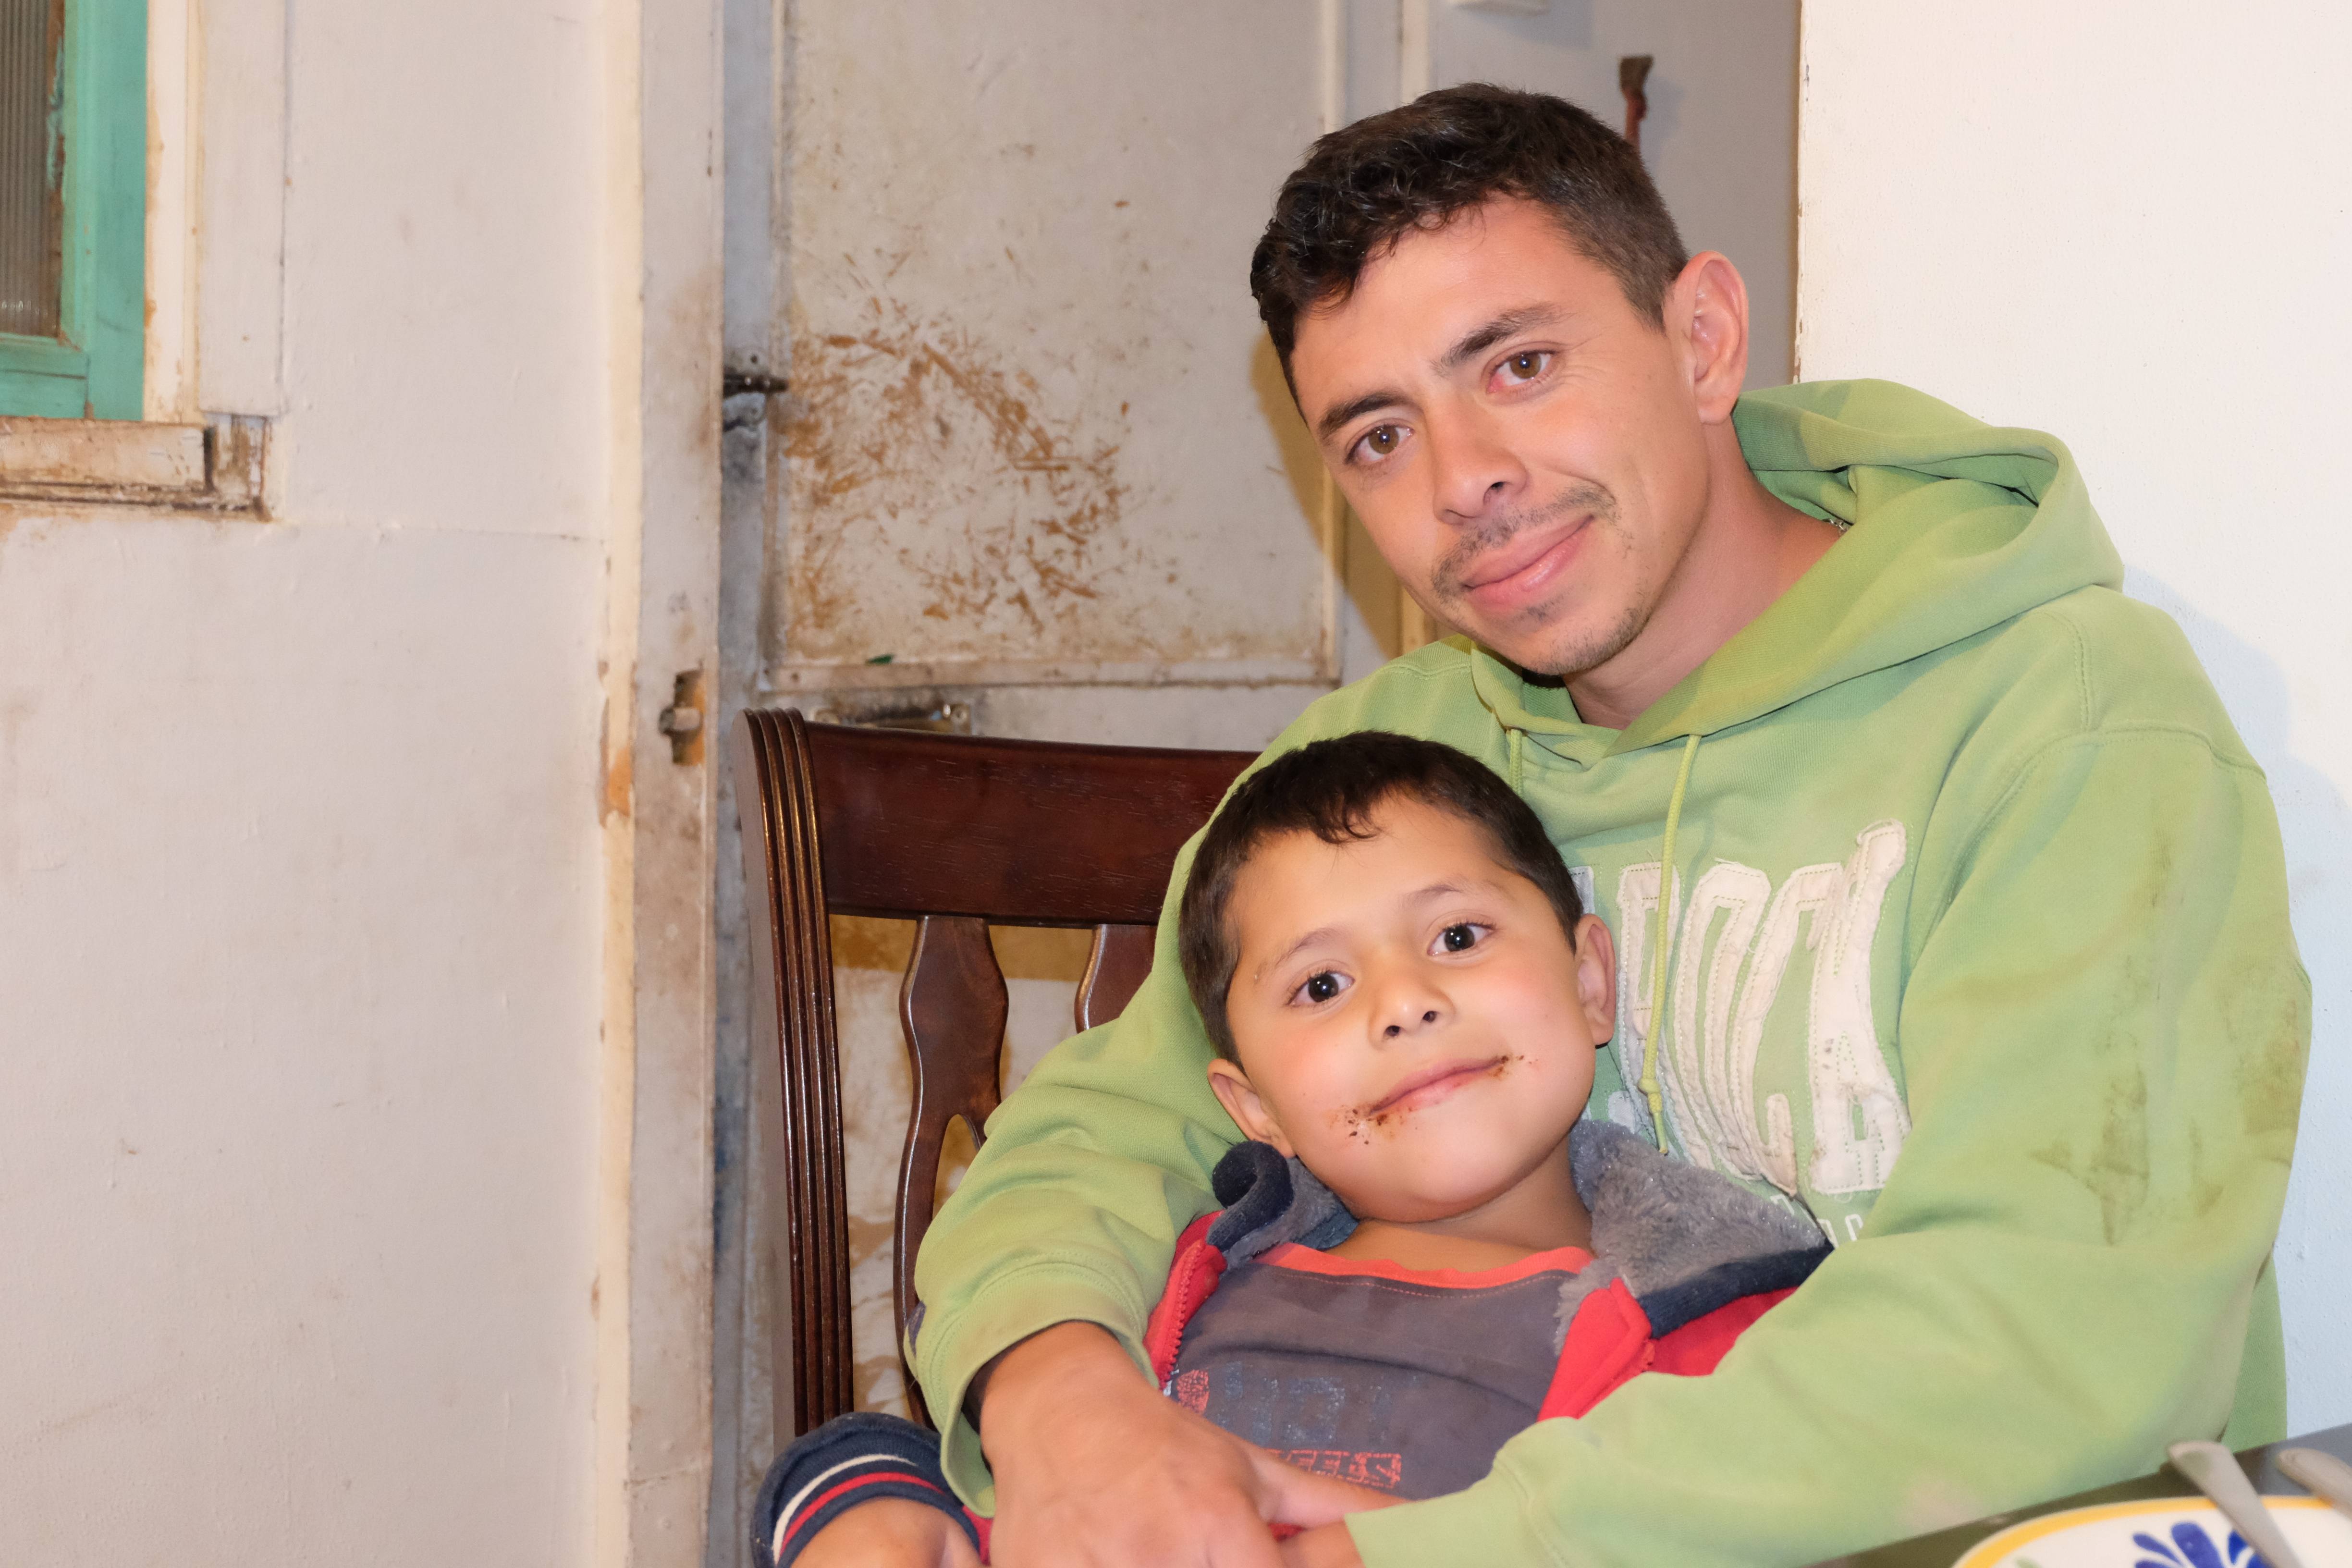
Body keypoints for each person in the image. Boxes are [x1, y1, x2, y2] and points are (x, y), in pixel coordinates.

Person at [804, 84, 2313, 1567]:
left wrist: (1386, 1559)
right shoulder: (1383, 770)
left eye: (1520, 365)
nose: (1466, 483)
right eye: (1379, 437)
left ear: (1703, 339)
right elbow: (1105, 1141)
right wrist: (1073, 1419)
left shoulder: (2067, 725)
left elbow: (2051, 1337)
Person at [763, 734, 1836, 1567]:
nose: (1405, 1002)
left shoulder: (1715, 1331)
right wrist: (869, 1507)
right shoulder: (1185, 1278)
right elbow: (1001, 1496)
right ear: (1255, 1107)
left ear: (1591, 981)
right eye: (1322, 986)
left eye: (1458, 937)